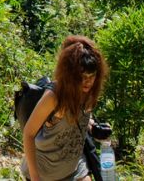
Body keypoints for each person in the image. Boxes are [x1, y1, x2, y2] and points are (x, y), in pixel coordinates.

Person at [21, 35, 108, 181]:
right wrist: (35, 178)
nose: (87, 82)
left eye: (91, 76)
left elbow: (81, 118)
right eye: (82, 77)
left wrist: (93, 127)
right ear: (71, 75)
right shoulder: (54, 96)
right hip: (44, 172)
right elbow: (28, 134)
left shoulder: (89, 93)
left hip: (74, 169)